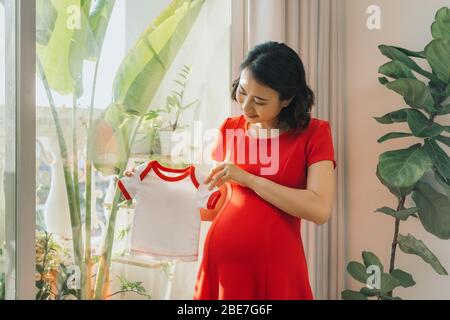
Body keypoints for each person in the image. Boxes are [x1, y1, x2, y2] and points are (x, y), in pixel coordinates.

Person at [125, 41, 337, 300]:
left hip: (277, 267)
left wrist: (248, 179)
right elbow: (213, 206)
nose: (246, 107)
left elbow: (319, 209)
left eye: (259, 100)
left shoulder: (315, 134)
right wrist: (154, 189)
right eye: (242, 91)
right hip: (221, 263)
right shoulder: (230, 128)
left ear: (287, 100)